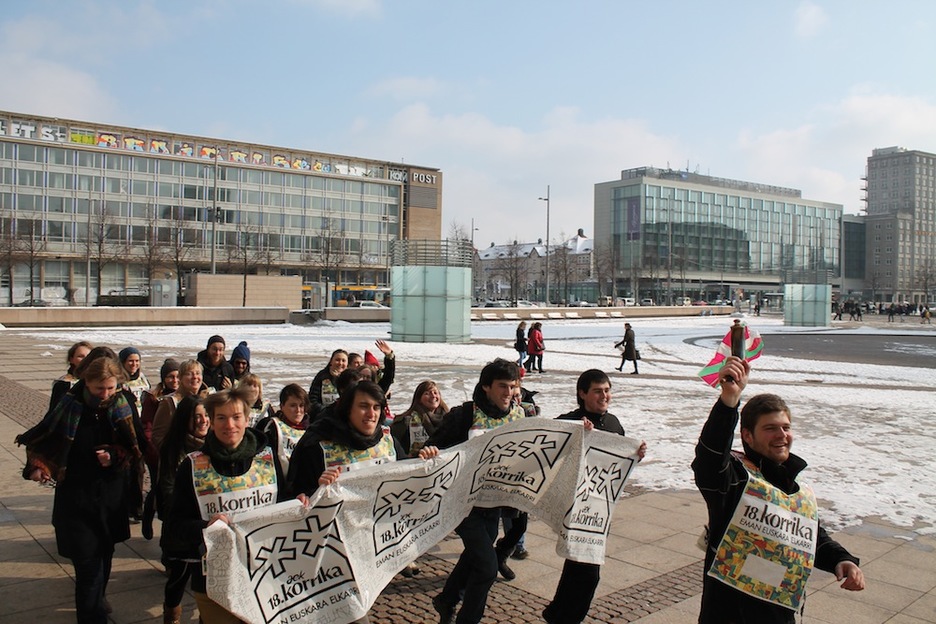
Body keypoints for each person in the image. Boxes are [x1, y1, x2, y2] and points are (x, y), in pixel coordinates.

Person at [692, 356, 865, 623]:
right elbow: (709, 459)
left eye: (786, 427)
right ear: (748, 436)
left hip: (779, 612)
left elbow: (809, 536)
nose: (782, 435)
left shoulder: (794, 486)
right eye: (770, 428)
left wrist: (841, 560)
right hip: (730, 612)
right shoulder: (735, 478)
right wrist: (729, 403)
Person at [17, 355, 142, 624]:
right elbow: (45, 438)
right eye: (99, 388)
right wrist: (41, 465)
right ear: (87, 381)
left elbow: (135, 446)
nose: (105, 394)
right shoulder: (69, 404)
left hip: (110, 498)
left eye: (110, 388)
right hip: (76, 498)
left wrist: (114, 454)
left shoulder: (122, 403)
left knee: (105, 556)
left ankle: (97, 603)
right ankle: (92, 617)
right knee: (88, 567)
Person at [164, 388, 284, 623]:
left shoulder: (267, 460)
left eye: (236, 417)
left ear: (247, 418)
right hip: (214, 580)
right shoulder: (192, 466)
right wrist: (205, 526)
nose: (230, 425)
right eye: (221, 417)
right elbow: (174, 526)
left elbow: (285, 508)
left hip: (264, 573)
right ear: (210, 421)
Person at [426, 358, 526, 624]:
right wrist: (431, 452)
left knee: (473, 556)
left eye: (512, 386)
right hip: (463, 504)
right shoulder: (464, 415)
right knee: (486, 567)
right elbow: (434, 448)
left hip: (494, 504)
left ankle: (446, 600)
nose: (509, 393)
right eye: (502, 386)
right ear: (486, 387)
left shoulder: (519, 416)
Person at [542, 369, 646, 624]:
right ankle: (565, 618)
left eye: (607, 390)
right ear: (582, 393)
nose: (605, 396)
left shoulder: (613, 423)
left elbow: (618, 460)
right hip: (576, 509)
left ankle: (556, 614)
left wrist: (636, 455)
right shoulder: (570, 421)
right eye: (598, 391)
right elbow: (548, 448)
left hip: (601, 509)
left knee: (576, 569)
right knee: (588, 574)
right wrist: (576, 434)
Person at [156, 396, 209, 624]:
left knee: (206, 582)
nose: (203, 421)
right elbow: (166, 490)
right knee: (178, 578)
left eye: (206, 416)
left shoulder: (214, 447)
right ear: (184, 419)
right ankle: (172, 614)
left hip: (206, 530)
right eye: (197, 416)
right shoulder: (173, 450)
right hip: (181, 530)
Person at [140, 358, 181, 538]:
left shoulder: (183, 395)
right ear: (164, 378)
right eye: (171, 377)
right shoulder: (154, 397)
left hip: (176, 451)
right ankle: (147, 518)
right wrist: (155, 448)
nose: (175, 380)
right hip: (156, 450)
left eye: (178, 376)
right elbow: (147, 425)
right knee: (157, 488)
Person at [257, 383, 309, 489]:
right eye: (293, 405)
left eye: (301, 405)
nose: (298, 410)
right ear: (282, 407)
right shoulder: (270, 427)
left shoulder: (311, 430)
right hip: (278, 486)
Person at [151, 360, 210, 453]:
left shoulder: (208, 399)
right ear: (180, 378)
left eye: (198, 373)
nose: (195, 377)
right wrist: (172, 453)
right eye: (189, 374)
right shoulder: (170, 402)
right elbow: (157, 435)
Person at [391, 380, 449, 458]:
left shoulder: (449, 419)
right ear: (419, 399)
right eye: (427, 393)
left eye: (435, 393)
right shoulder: (405, 422)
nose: (433, 396)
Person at [50, 340, 93, 410]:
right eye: (80, 356)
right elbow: (55, 411)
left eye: (88, 356)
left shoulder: (98, 380)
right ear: (71, 359)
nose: (85, 359)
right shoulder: (64, 383)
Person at [308, 348, 349, 418]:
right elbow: (312, 398)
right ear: (331, 361)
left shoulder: (350, 377)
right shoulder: (322, 376)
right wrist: (325, 411)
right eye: (337, 360)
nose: (340, 363)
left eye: (343, 361)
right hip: (323, 415)